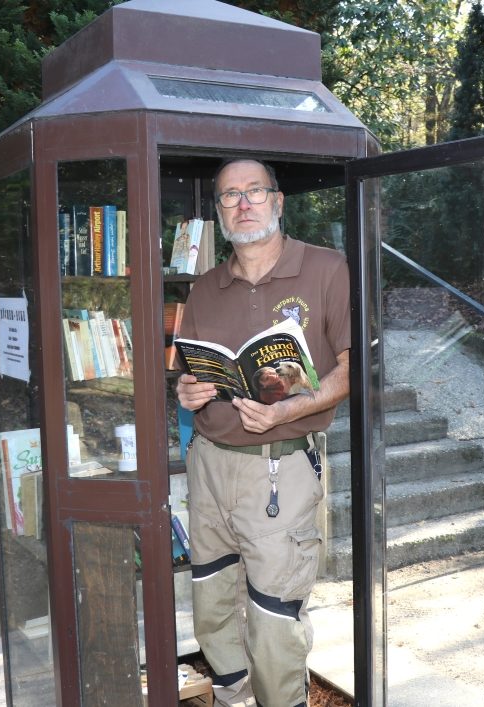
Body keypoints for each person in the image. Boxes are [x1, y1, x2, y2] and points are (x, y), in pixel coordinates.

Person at [176, 158, 350, 707]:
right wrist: (187, 391)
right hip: (208, 464)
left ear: (278, 201)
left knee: (275, 617)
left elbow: (350, 372)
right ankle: (233, 697)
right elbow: (192, 372)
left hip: (281, 466)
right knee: (211, 601)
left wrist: (285, 413)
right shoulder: (205, 287)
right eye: (230, 196)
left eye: (254, 191)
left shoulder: (326, 269)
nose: (243, 203)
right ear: (220, 211)